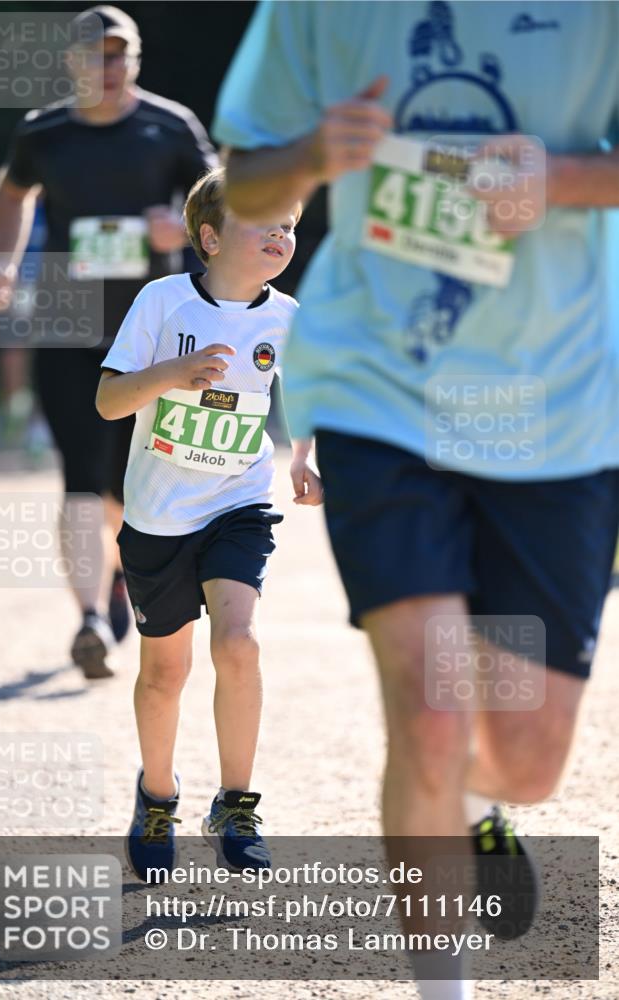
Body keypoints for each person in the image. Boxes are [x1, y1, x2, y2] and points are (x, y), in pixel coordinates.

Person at [213, 1, 619, 996]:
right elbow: (243, 172)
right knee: (430, 712)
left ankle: (479, 802)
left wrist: (559, 178)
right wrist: (311, 150)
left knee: (523, 759)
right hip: (378, 389)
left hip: (552, 405)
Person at [0, 5, 217, 678]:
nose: (106, 68)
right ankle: (87, 618)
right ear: (70, 62)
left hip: (149, 326)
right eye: (93, 55)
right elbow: (12, 194)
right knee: (80, 478)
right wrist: (2, 259)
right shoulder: (43, 131)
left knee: (124, 484)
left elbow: (217, 200)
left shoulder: (168, 125)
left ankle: (114, 578)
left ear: (134, 60)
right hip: (67, 317)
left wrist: (184, 226)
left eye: (118, 55)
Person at [96, 166, 322, 878]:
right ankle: (156, 795)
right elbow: (108, 401)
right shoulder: (163, 301)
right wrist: (173, 373)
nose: (282, 237)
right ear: (211, 236)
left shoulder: (285, 318)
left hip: (238, 501)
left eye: (288, 225)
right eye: (266, 224)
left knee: (240, 643)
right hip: (159, 516)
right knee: (165, 671)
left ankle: (236, 802)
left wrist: (303, 459)